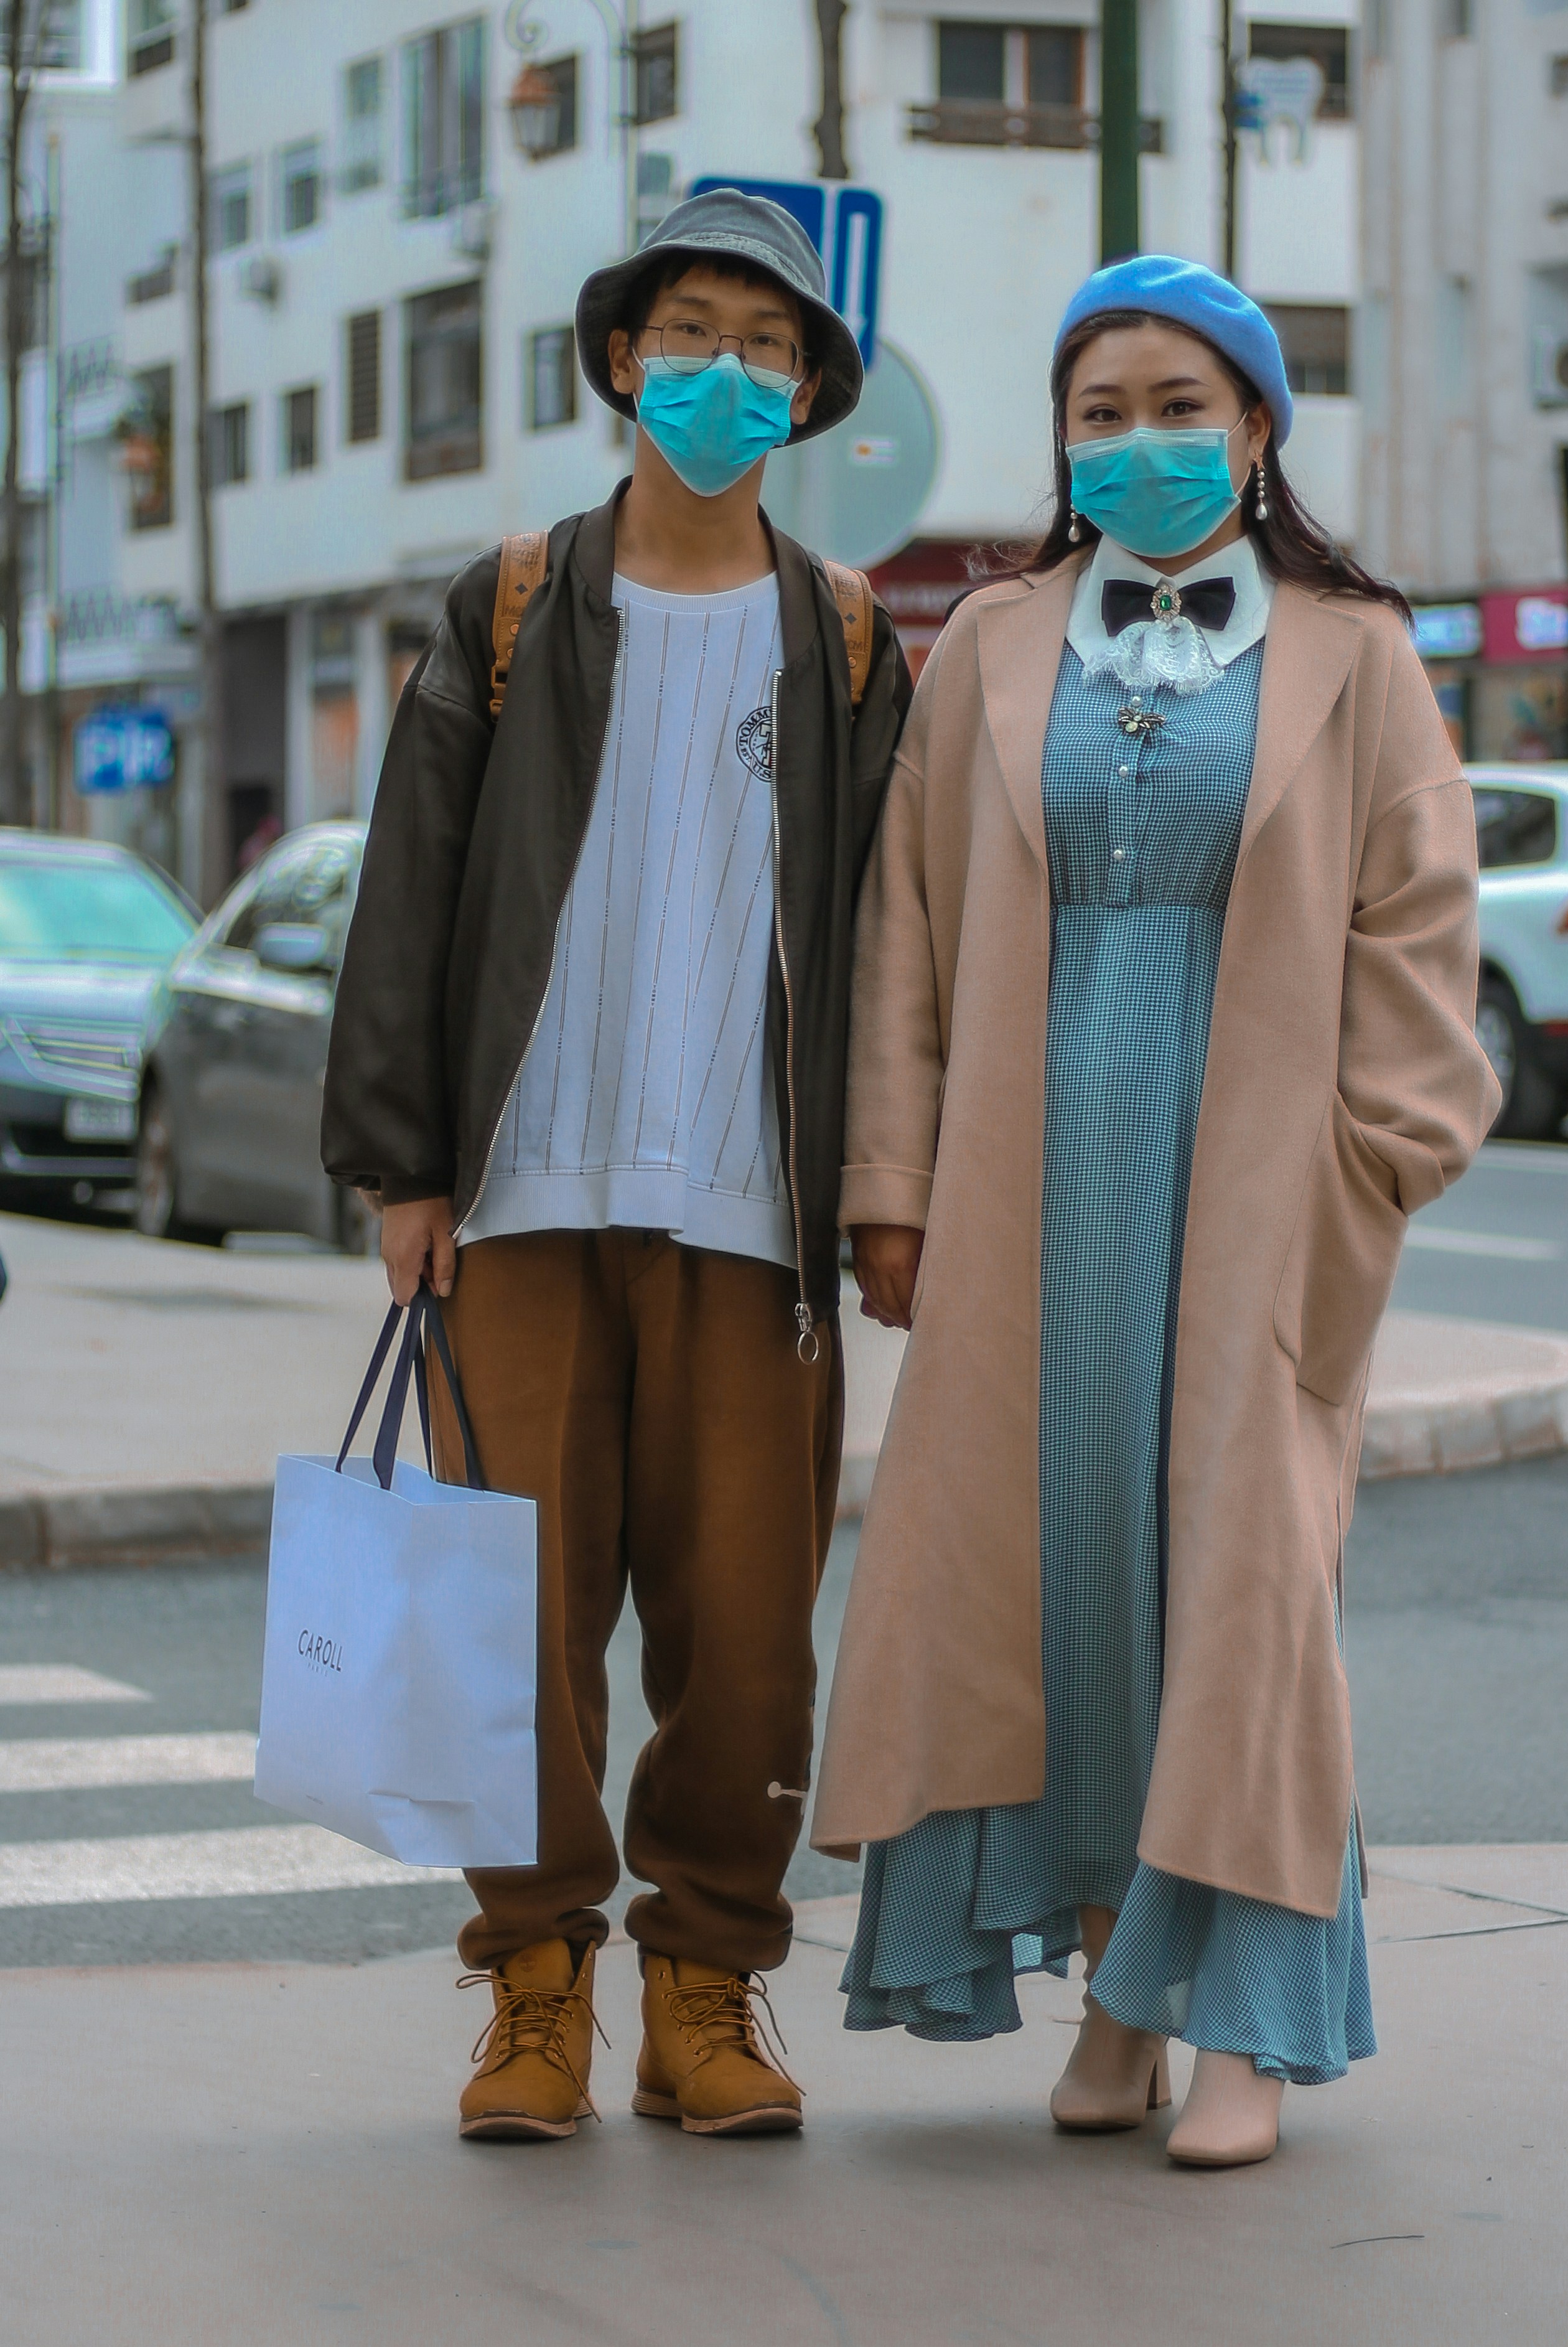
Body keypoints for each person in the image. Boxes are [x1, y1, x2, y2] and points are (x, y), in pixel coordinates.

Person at [813, 256, 1499, 2167]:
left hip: (1263, 1199)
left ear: (1260, 429)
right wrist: (892, 1189)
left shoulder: (1357, 654)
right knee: (1058, 1584)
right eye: (1098, 413)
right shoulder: (996, 644)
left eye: (1180, 406)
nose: (1138, 443)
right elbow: (908, 943)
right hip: (1025, 1191)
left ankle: (1246, 2032)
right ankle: (1113, 1990)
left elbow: (1422, 949)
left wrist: (1368, 1170)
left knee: (1244, 1591)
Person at [321, 190, 911, 2144]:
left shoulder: (841, 639)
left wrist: (883, 1176)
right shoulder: (508, 604)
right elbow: (408, 891)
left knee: (744, 1622)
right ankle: (536, 1987)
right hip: (523, 1195)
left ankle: (709, 1982)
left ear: (811, 389)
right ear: (616, 363)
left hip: (756, 1218)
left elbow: (895, 935)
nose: (722, 373)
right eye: (689, 332)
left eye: (765, 343)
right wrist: (402, 1167)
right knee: (526, 1616)